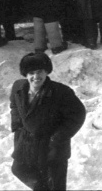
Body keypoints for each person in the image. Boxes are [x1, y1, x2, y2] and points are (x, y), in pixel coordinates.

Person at [10, 52, 86, 191]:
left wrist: (58, 137)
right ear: (25, 74)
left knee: (55, 184)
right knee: (19, 169)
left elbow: (78, 115)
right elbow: (14, 106)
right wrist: (17, 127)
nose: (36, 77)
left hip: (52, 147)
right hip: (28, 144)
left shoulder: (61, 92)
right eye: (31, 73)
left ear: (46, 72)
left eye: (40, 72)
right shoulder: (18, 87)